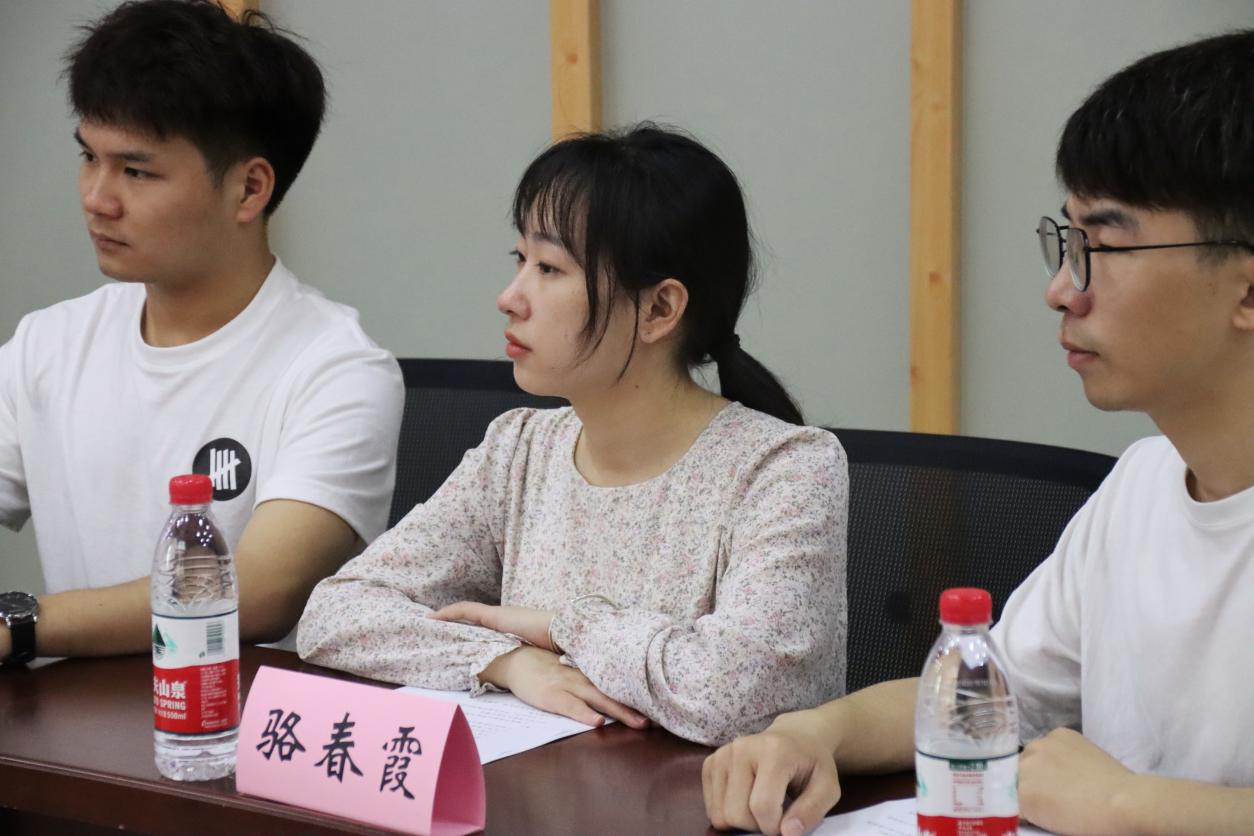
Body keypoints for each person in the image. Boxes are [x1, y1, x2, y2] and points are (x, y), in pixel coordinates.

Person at [703, 29, 1254, 835]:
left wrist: (1127, 806)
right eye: (1067, 242)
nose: (1061, 289)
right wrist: (812, 733)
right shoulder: (1142, 484)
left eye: (1103, 246)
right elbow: (988, 697)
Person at [298, 125, 848, 747]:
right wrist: (506, 660)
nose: (509, 298)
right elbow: (337, 612)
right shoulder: (519, 450)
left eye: (550, 268)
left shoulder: (785, 468)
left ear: (659, 309)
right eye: (520, 261)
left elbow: (741, 696)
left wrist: (562, 626)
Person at [0, 0, 404, 664]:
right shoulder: (49, 344)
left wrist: (19, 625)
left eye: (135, 171)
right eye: (88, 157)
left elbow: (261, 590)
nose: (96, 197)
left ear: (249, 189)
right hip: (66, 720)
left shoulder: (337, 370)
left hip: (235, 718)